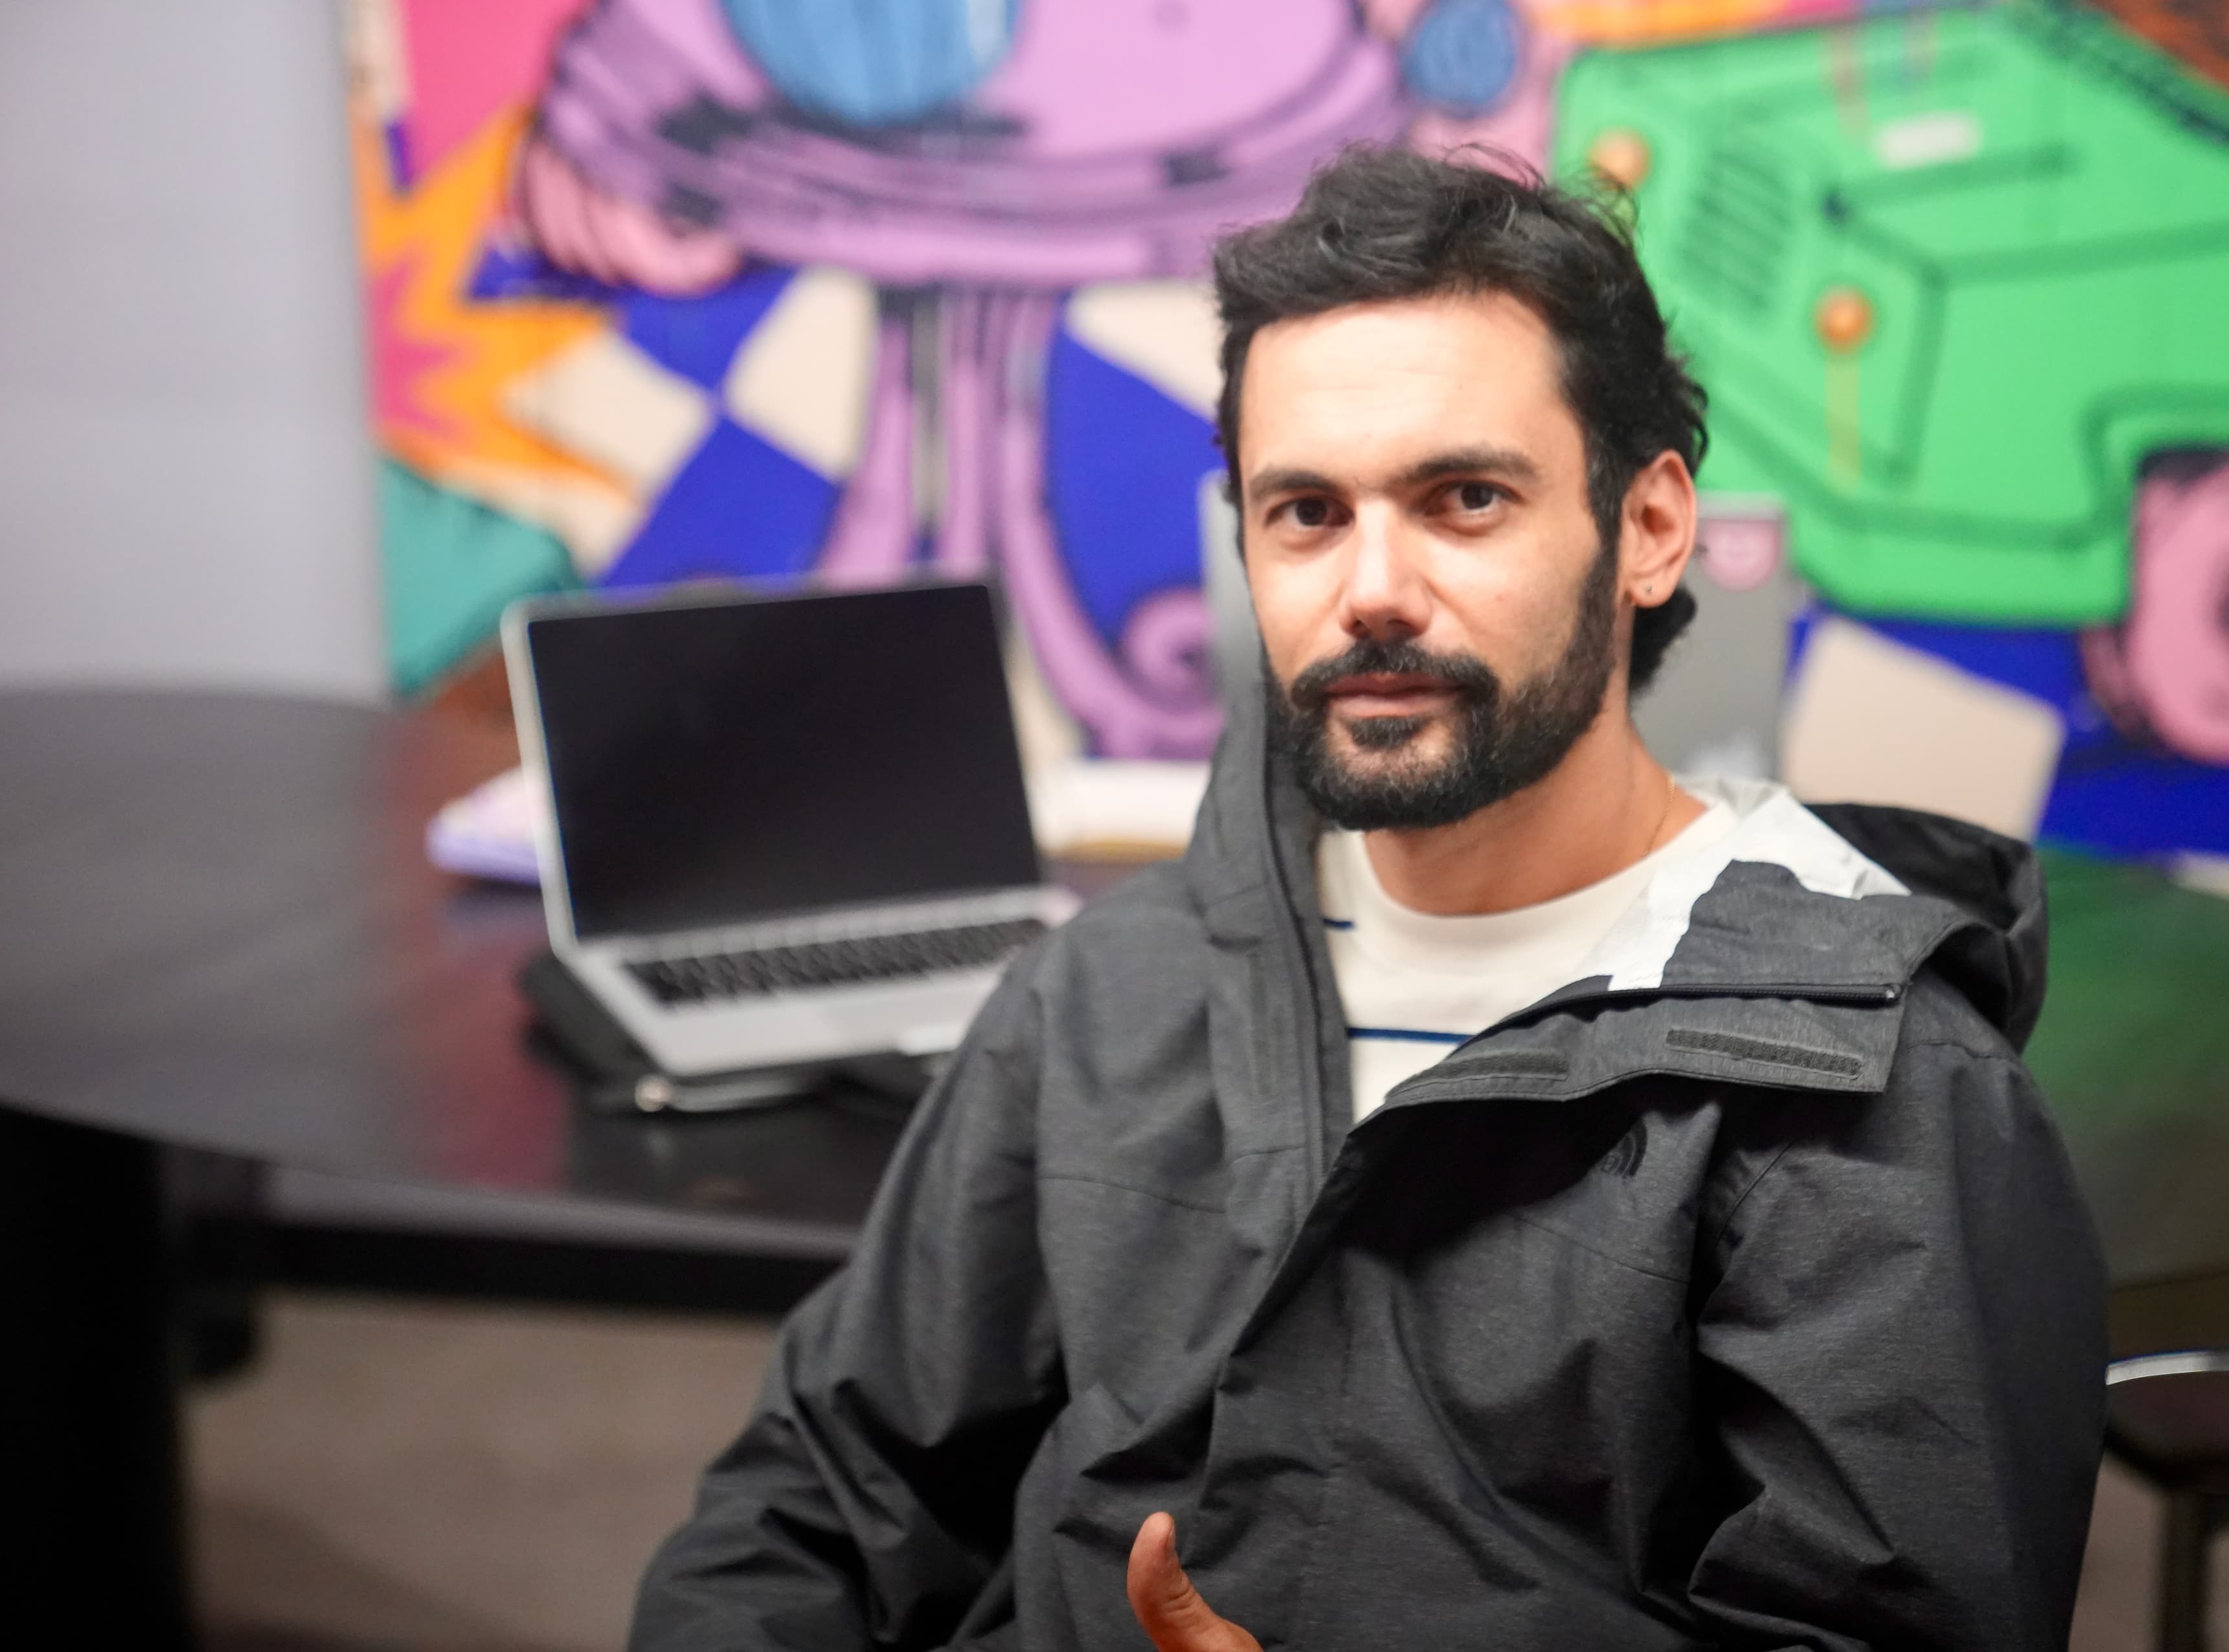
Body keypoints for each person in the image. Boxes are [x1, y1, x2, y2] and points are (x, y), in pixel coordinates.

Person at [631, 147, 2107, 1652]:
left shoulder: (1877, 1087)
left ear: (1651, 530)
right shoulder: (1104, 992)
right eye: (1307, 512)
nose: (1371, 587)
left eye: (1464, 497)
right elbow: (821, 1494)